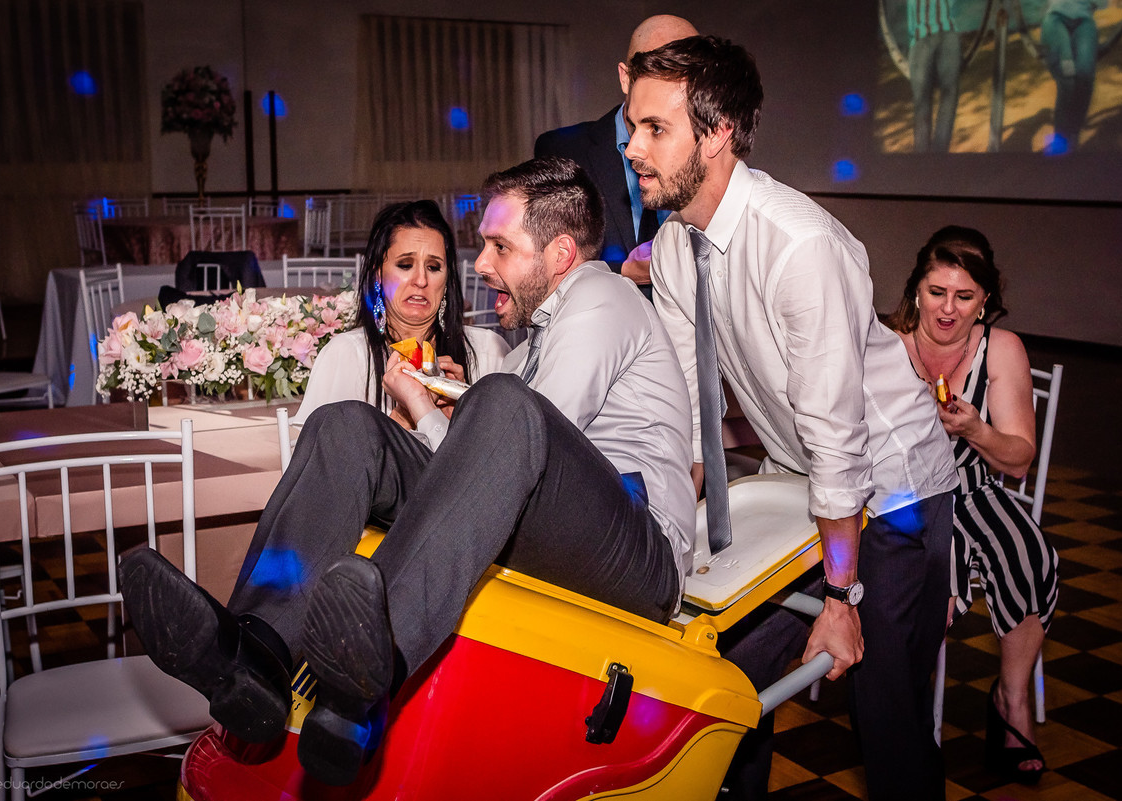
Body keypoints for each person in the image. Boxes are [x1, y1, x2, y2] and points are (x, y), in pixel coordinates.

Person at [118, 156, 696, 788]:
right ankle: (255, 654)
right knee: (345, 425)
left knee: (502, 403)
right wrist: (446, 407)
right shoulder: (536, 339)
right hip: (561, 531)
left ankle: (370, 672)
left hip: (641, 552)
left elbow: (520, 445)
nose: (480, 264)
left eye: (500, 246)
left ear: (560, 254)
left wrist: (434, 408)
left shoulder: (600, 298)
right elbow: (493, 467)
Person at [625, 36, 959, 800]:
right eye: (633, 125)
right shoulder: (674, 245)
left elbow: (840, 442)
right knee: (725, 681)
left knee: (886, 717)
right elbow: (688, 414)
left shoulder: (799, 244)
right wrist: (669, 538)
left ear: (717, 133)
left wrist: (841, 599)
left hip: (894, 488)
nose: (633, 147)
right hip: (800, 479)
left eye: (654, 128)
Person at [888, 226, 1059, 785]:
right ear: (916, 290)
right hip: (902, 494)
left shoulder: (1001, 349)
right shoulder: (887, 344)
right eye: (937, 292)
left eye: (964, 297)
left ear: (984, 299)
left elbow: (1019, 460)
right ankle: (903, 710)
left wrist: (976, 430)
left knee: (1027, 553)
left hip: (975, 487)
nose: (948, 309)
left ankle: (1012, 701)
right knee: (932, 567)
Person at [293, 199, 509, 427]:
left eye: (433, 267)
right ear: (378, 274)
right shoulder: (345, 357)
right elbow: (321, 448)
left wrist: (467, 412)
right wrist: (404, 416)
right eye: (405, 265)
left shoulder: (488, 351)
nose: (421, 280)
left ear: (446, 280)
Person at [534, 14, 697, 295]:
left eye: (685, 78)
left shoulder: (704, 149)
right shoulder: (562, 151)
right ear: (626, 78)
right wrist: (621, 271)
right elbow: (544, 261)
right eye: (657, 73)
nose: (671, 91)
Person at [1042, 0, 1107, 152]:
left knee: (1085, 76)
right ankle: (1059, 142)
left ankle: (1073, 136)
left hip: (1084, 19)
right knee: (1067, 78)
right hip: (1056, 17)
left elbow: (1100, 3)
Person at [907, 0, 961, 152]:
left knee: (948, 96)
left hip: (944, 32)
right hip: (922, 37)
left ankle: (939, 154)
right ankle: (922, 157)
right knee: (922, 102)